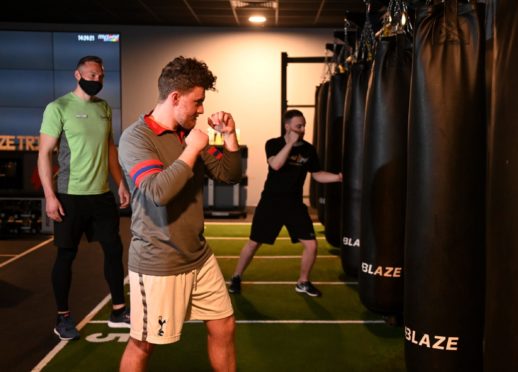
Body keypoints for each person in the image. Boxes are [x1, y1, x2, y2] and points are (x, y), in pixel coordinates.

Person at [117, 56, 241, 372]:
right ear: (175, 98)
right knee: (143, 344)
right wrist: (191, 151)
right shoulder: (136, 138)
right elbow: (158, 192)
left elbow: (229, 174)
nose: (201, 109)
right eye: (197, 102)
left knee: (224, 325)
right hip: (159, 260)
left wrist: (228, 136)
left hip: (198, 255)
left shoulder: (189, 134)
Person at [38, 55, 131, 341]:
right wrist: (50, 197)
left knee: (114, 250)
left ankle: (118, 311)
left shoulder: (104, 108)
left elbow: (110, 148)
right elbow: (43, 154)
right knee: (66, 255)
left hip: (101, 195)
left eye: (101, 76)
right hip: (70, 195)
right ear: (77, 75)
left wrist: (121, 183)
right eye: (92, 75)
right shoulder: (59, 107)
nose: (97, 80)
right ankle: (62, 317)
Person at [229, 109, 342, 297]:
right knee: (253, 243)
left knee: (311, 245)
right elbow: (276, 165)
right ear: (287, 126)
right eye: (298, 126)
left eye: (304, 125)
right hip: (271, 202)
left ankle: (303, 282)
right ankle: (236, 277)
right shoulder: (273, 144)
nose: (302, 129)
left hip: (294, 205)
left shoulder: (308, 149)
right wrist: (289, 144)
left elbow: (317, 174)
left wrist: (338, 177)